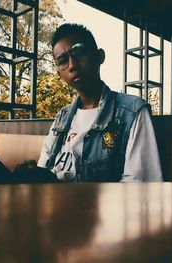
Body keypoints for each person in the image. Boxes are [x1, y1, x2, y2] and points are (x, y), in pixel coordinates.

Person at [37, 23, 162, 182]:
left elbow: (139, 185)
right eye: (63, 60)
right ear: (59, 74)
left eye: (79, 51)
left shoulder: (131, 112)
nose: (72, 65)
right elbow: (43, 171)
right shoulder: (62, 118)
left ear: (99, 56)